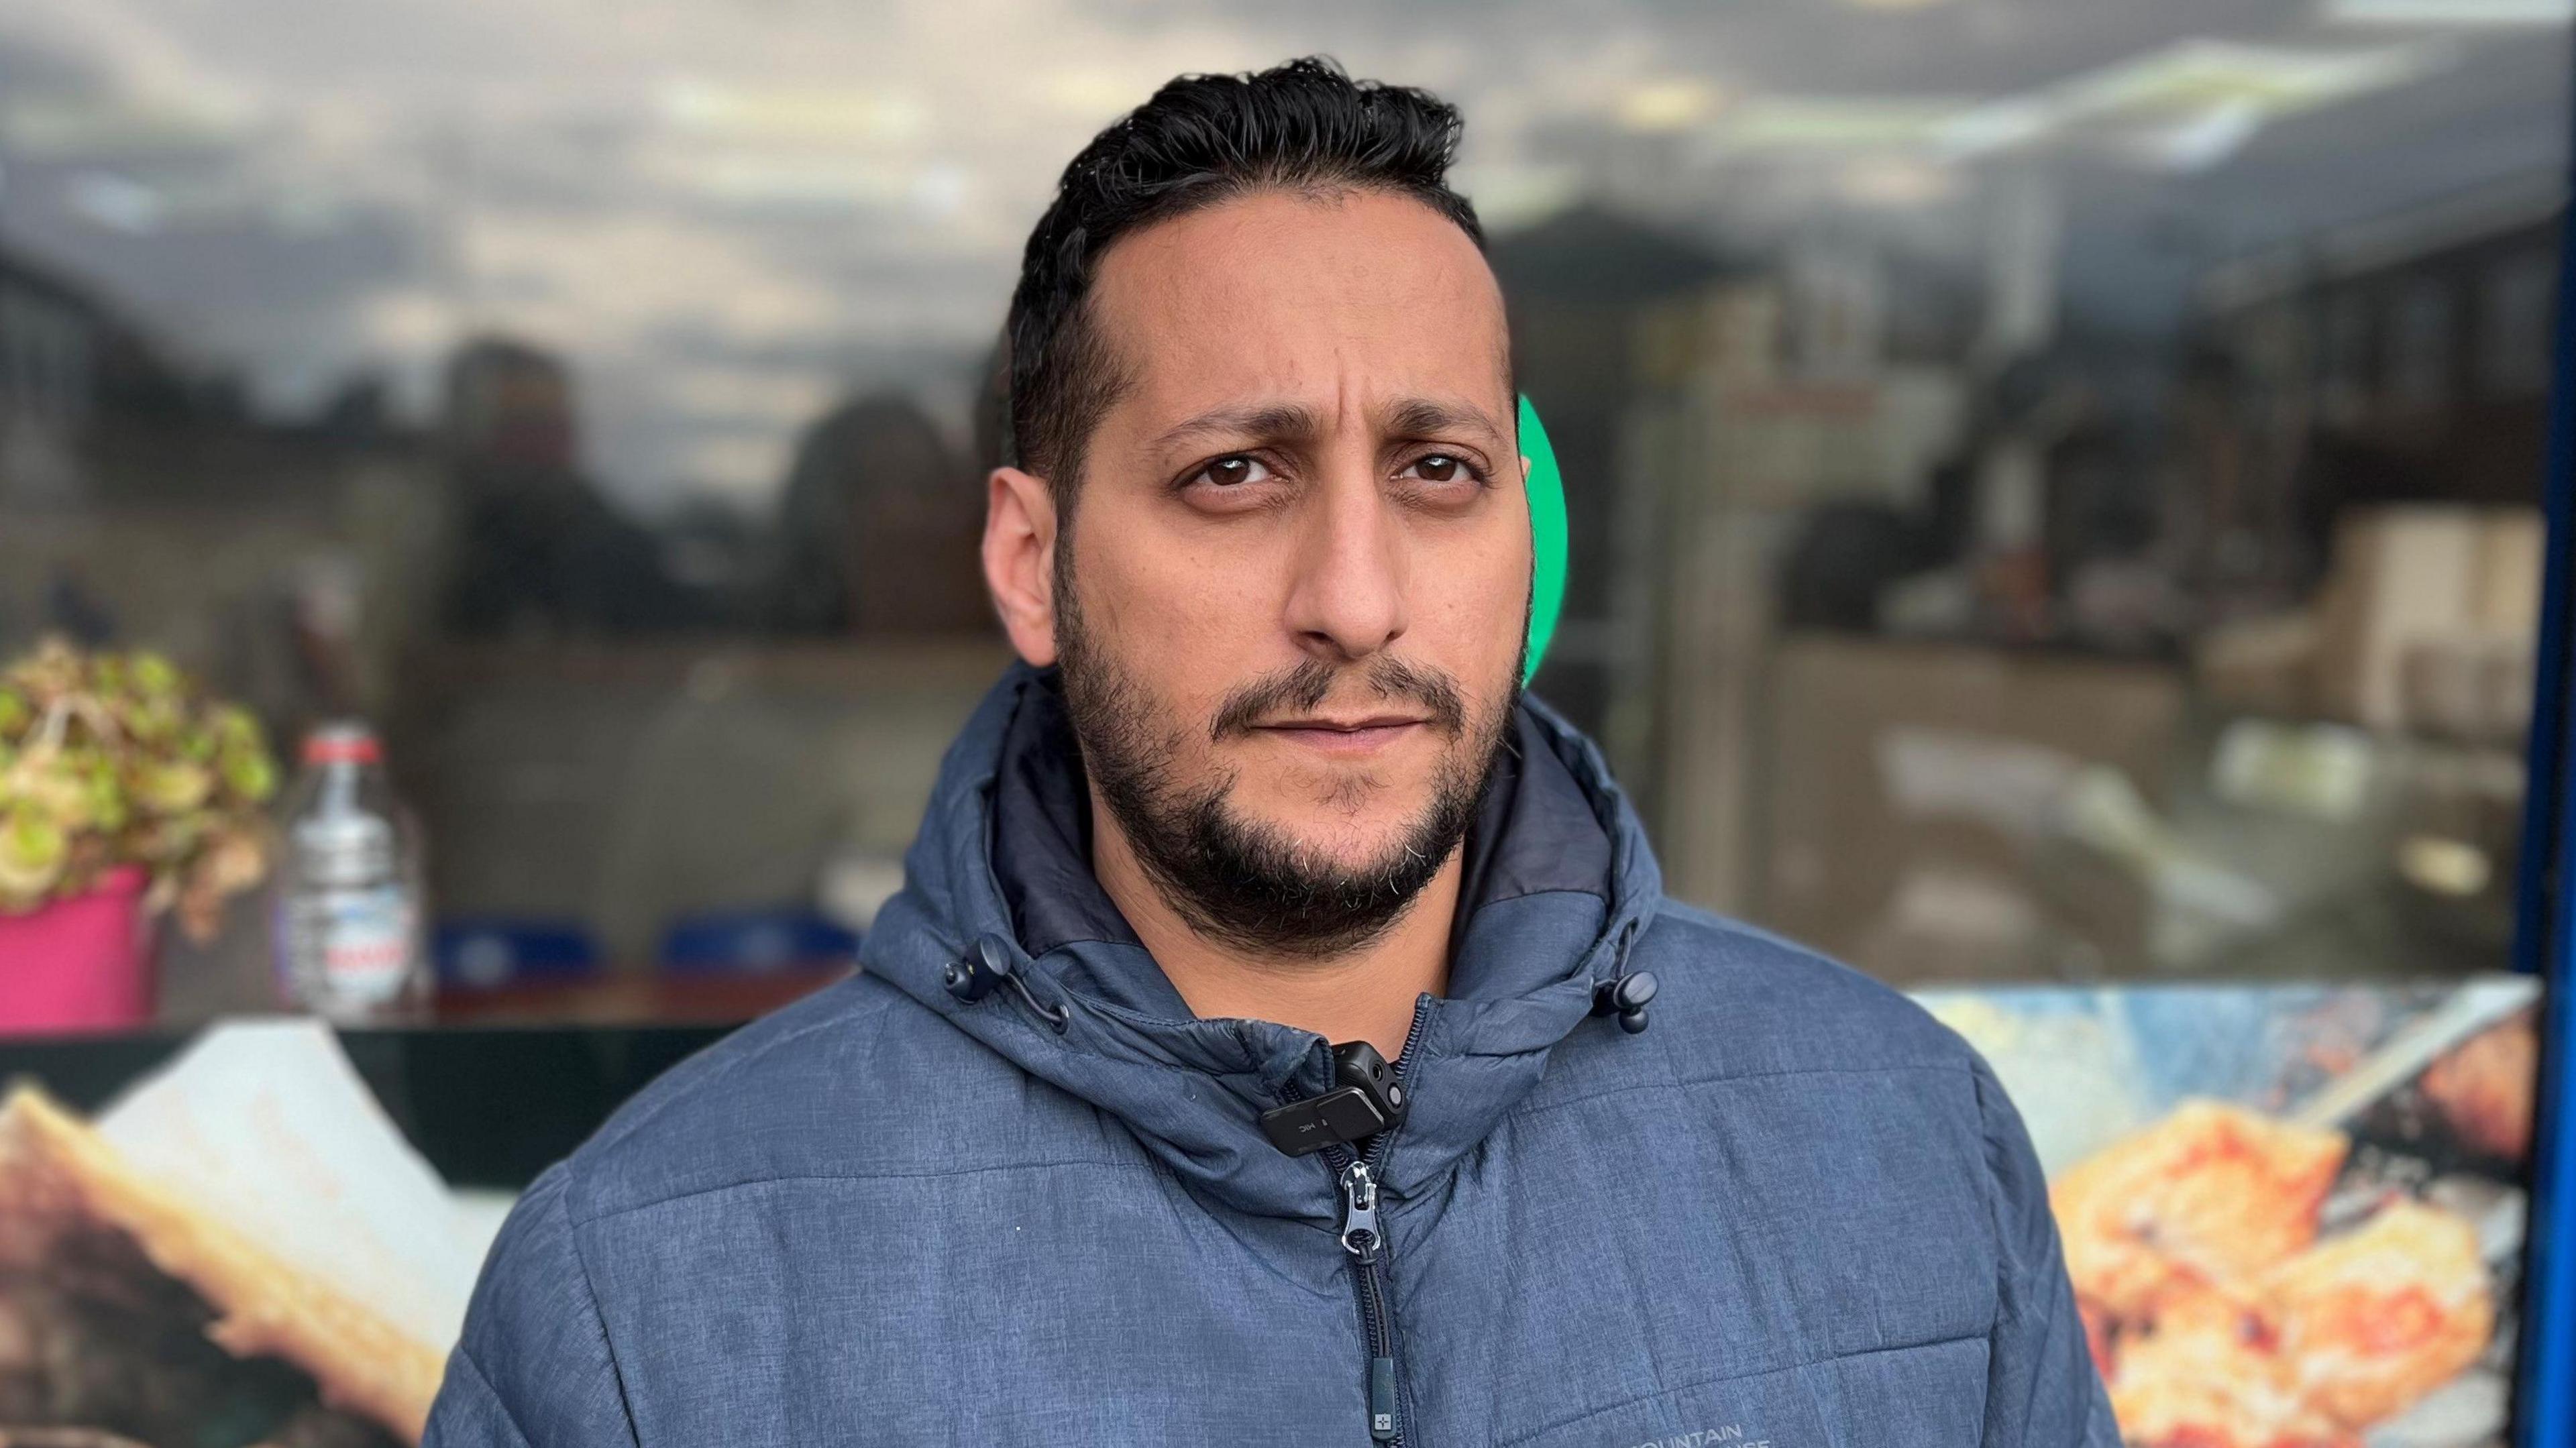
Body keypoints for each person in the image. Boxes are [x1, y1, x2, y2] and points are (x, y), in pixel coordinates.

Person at [424, 57, 2115, 1447]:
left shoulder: (1904, 1145)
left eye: (1439, 471)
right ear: (1032, 563)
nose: (1356, 600)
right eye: (1236, 473)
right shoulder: (652, 1293)